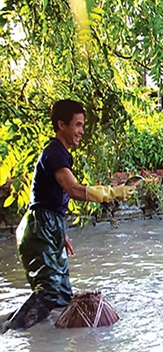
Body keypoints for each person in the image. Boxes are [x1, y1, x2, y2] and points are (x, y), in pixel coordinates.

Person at [3, 99, 137, 332]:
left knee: (62, 295)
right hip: (39, 227)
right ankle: (9, 334)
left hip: (48, 227)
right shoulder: (54, 153)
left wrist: (59, 233)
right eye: (77, 125)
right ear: (61, 125)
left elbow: (49, 200)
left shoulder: (59, 153)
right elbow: (72, 189)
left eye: (82, 125)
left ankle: (40, 340)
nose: (81, 131)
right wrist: (113, 193)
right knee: (49, 292)